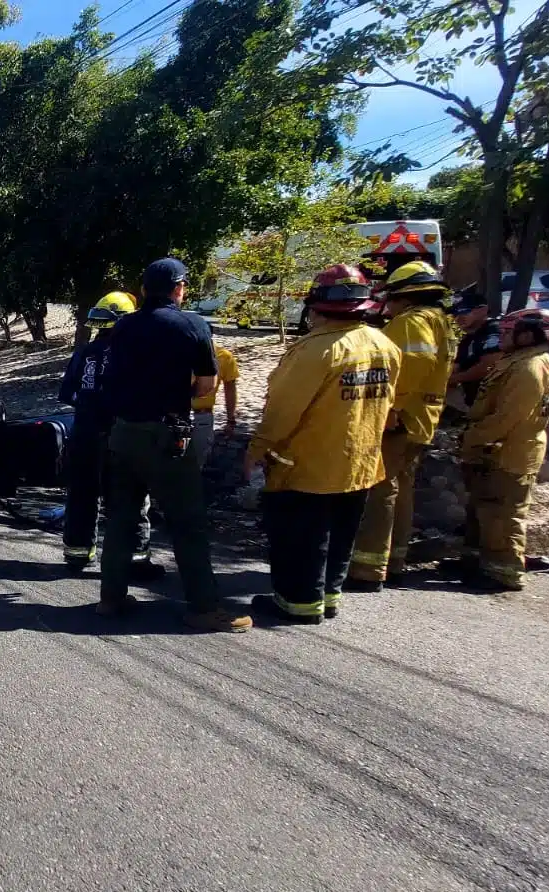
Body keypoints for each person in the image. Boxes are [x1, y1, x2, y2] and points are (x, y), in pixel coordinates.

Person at [98, 258, 252, 633]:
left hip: (123, 433)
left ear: (144, 288)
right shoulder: (193, 325)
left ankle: (111, 599)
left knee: (121, 519)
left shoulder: (123, 327)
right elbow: (205, 385)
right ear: (180, 288)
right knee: (187, 522)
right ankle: (203, 608)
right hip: (166, 436)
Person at [244, 265, 401, 623]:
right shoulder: (385, 345)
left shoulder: (315, 351)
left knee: (302, 539)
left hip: (309, 465)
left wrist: (257, 448)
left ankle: (298, 604)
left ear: (316, 307)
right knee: (342, 535)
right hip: (359, 463)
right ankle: (329, 598)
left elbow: (283, 410)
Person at [348, 260, 454, 590]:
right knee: (400, 488)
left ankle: (368, 568)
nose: (387, 304)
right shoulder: (440, 321)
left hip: (401, 420)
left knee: (380, 489)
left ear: (406, 298)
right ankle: (394, 560)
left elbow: (415, 364)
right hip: (421, 419)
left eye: (391, 297)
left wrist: (393, 407)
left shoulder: (412, 322)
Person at [458, 307, 549, 591]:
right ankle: (477, 562)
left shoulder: (528, 369)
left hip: (510, 452)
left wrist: (473, 437)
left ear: (527, 336)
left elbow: (508, 418)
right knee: (485, 511)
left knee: (504, 516)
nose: (499, 337)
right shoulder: (517, 360)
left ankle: (504, 573)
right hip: (497, 449)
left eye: (506, 332)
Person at [58, 291, 154, 572]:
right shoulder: (136, 354)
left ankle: (77, 554)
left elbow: (68, 394)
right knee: (129, 497)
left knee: (82, 495)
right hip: (121, 436)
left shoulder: (84, 352)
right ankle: (135, 559)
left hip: (84, 434)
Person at [449, 286, 502, 409]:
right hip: (471, 397)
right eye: (455, 314)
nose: (458, 318)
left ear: (482, 310)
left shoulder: (494, 329)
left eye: (464, 312)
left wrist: (452, 379)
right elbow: (457, 365)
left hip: (491, 400)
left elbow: (489, 366)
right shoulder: (467, 336)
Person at [191, 335, 239, 464]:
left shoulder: (224, 356)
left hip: (202, 416)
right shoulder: (176, 352)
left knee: (197, 461)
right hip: (172, 414)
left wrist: (231, 420)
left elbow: (230, 389)